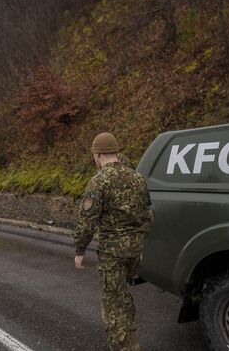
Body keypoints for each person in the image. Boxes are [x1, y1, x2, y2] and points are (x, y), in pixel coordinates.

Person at [74, 132, 152, 351]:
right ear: (116, 152)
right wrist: (138, 241)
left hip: (112, 253)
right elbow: (147, 215)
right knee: (122, 294)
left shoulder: (99, 181)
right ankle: (131, 336)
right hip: (135, 250)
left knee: (111, 301)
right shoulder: (137, 177)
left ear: (97, 154)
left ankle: (123, 346)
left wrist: (80, 249)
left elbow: (87, 221)